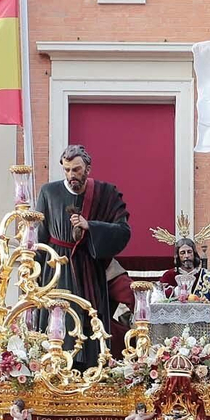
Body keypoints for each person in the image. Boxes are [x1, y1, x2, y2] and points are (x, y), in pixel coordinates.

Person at [34, 144, 132, 368]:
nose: (71, 175)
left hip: (89, 270)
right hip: (55, 269)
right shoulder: (48, 192)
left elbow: (123, 231)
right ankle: (56, 369)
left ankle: (90, 371)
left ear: (88, 168)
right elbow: (39, 237)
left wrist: (92, 227)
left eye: (76, 170)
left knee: (89, 327)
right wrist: (33, 276)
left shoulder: (106, 193)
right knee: (58, 324)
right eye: (67, 170)